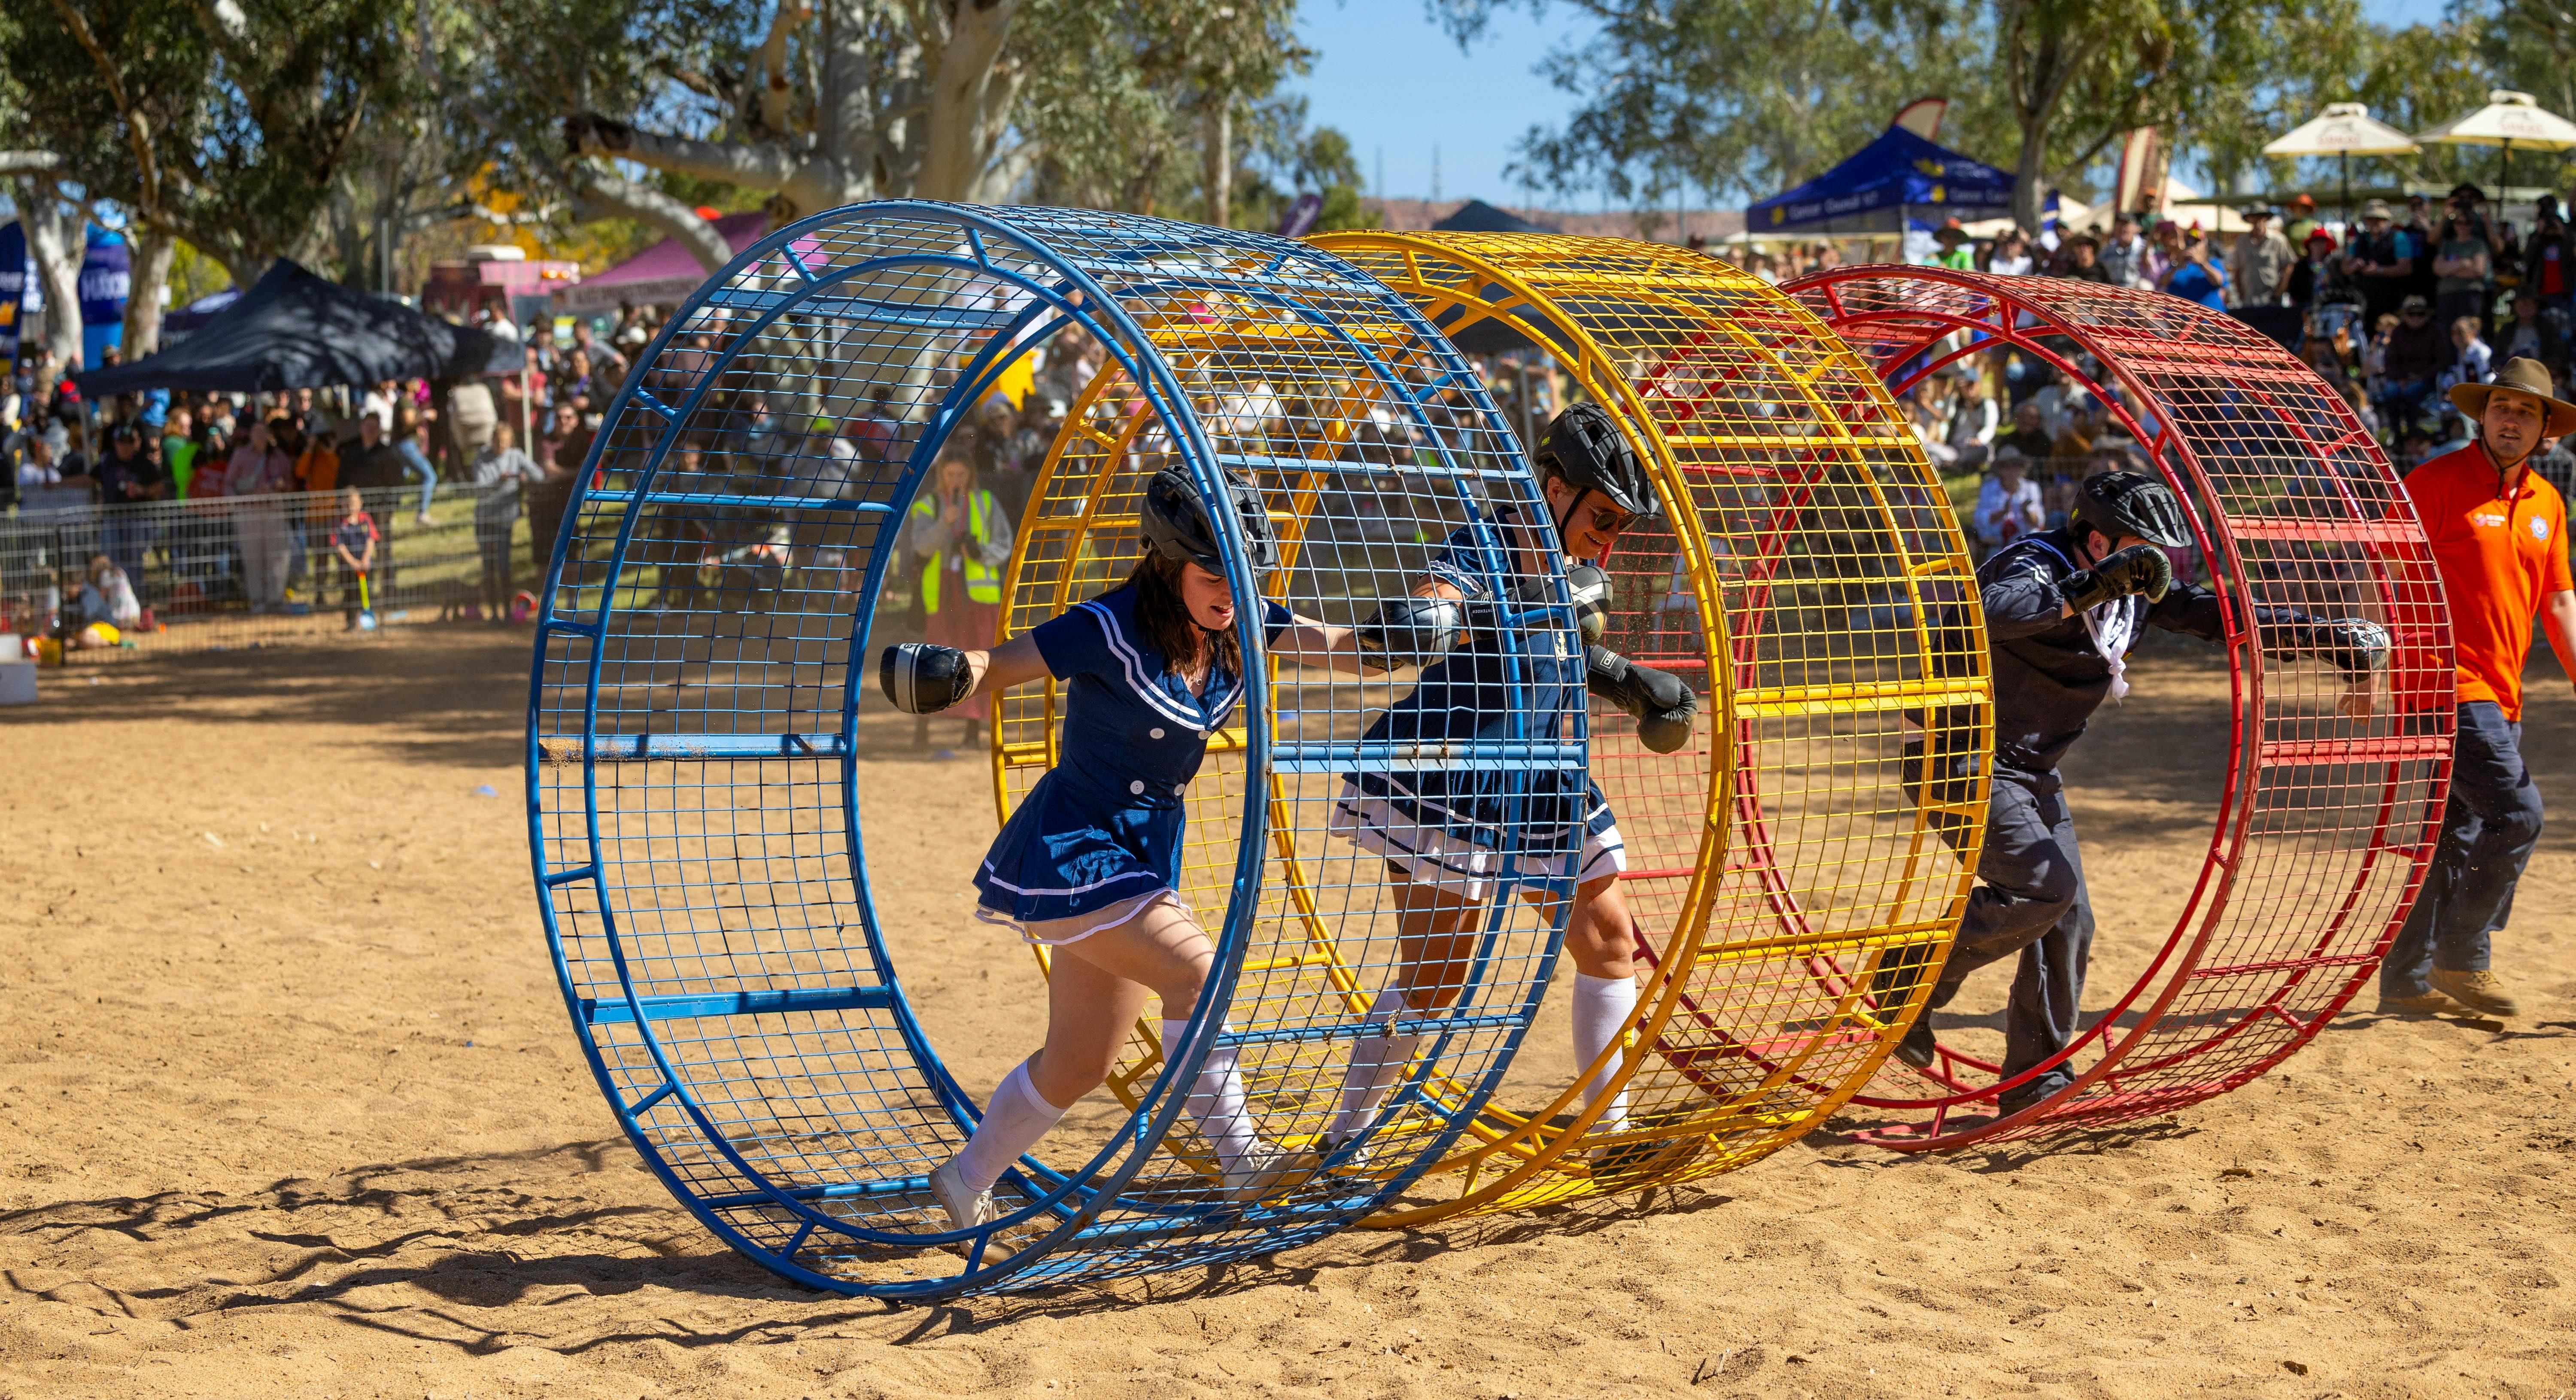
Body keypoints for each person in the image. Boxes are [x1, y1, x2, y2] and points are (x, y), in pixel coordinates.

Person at [882, 468, 1378, 1230]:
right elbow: (1003, 665)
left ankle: (962, 1179)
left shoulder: (1241, 620)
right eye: (1213, 570)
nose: (1231, 589)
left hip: (1143, 857)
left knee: (1081, 1062)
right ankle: (1242, 1162)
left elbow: (1345, 645)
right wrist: (952, 673)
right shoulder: (1106, 626)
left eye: (1246, 573)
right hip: (1075, 845)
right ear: (1167, 560)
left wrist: (1430, 632)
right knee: (1198, 973)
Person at [1874, 472, 2387, 1112]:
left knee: (2069, 918)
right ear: (2095, 539)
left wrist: (2326, 640)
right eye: (2143, 549)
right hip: (1957, 757)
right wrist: (2091, 587)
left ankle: (2035, 1078)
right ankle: (1907, 980)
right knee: (2045, 891)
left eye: (2161, 552)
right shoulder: (2036, 561)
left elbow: (2212, 615)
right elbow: (1984, 613)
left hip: (2029, 771)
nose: (2158, 564)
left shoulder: (2134, 589)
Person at [1321, 405, 1697, 1172]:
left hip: (1540, 773)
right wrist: (1428, 614)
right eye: (1600, 517)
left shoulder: (1574, 567)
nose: (1607, 537)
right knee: (1437, 981)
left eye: (1620, 525)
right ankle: (1343, 1139)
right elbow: (1448, 595)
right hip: (1452, 774)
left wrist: (1625, 682)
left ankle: (1609, 1135)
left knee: (1610, 943)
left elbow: (1552, 651)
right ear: (1554, 490)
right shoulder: (1485, 544)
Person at [2379, 358, 2576, 1018]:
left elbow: (2561, 605)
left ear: (2546, 428)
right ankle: (2465, 955)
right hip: (2442, 686)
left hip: (2504, 692)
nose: (2511, 420)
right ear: (2482, 416)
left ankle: (2406, 981)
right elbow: (2382, 578)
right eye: (2501, 408)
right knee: (2520, 814)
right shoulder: (2432, 483)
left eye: (2526, 412)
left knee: (2452, 834)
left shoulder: (2549, 503)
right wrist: (2367, 665)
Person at [904, 451, 1016, 749]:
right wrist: (944, 523)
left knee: (978, 658)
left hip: (979, 595)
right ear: (941, 475)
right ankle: (922, 731)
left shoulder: (987, 503)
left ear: (971, 476)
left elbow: (1005, 543)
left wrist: (980, 553)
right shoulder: (927, 506)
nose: (956, 480)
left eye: (961, 475)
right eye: (950, 475)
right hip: (941, 594)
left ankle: (972, 732)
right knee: (933, 660)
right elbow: (922, 546)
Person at [470, 422, 547, 620]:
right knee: (489, 567)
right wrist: (499, 482)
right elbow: (481, 486)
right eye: (498, 442)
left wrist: (524, 477)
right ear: (492, 440)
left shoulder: (516, 455)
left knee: (504, 566)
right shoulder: (482, 457)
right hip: (485, 519)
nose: (501, 446)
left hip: (506, 519)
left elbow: (539, 476)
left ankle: (506, 612)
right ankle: (494, 613)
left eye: (505, 442)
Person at [224, 418, 295, 611]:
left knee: (278, 557)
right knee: (252, 557)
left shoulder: (279, 456)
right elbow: (228, 484)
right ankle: (258, 600)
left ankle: (276, 599)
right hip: (249, 512)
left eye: (264, 432)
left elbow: (291, 485)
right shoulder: (241, 455)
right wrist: (241, 501)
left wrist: (282, 486)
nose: (260, 436)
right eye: (256, 432)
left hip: (274, 511)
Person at [2382, 295, 2451, 431]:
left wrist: (2421, 376)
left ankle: (2412, 432)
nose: (2416, 318)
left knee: (2411, 393)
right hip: (2400, 379)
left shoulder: (2435, 331)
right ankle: (2395, 434)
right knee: (2390, 392)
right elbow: (2390, 361)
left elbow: (2443, 360)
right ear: (2405, 316)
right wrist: (2400, 379)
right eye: (2411, 314)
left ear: (2427, 315)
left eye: (2421, 314)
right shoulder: (2398, 332)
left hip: (2426, 379)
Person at [2348, 200, 2420, 329]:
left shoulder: (2399, 237)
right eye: (2370, 219)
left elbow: (2406, 268)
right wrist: (2354, 266)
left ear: (2387, 220)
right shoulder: (2360, 240)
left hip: (2391, 301)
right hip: (2364, 303)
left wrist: (2380, 270)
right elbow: (2345, 266)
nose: (2375, 222)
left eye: (2379, 219)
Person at [2433, 204, 2494, 340]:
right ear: (2454, 225)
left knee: (2469, 333)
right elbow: (2437, 269)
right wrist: (2463, 264)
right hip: (2446, 295)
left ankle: (2468, 362)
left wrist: (2448, 270)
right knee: (2447, 334)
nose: (2463, 226)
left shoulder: (2478, 244)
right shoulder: (2447, 244)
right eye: (2459, 223)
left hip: (2470, 295)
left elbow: (2478, 270)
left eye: (2467, 223)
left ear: (2472, 225)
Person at [1971, 447, 2045, 555]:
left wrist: (2025, 512)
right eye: (2006, 466)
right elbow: (1980, 519)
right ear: (2000, 469)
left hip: (2024, 544)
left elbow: (2039, 522)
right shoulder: (1988, 488)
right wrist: (2003, 512)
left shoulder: (2031, 488)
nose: (2011, 471)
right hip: (1995, 544)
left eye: (2015, 465)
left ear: (2022, 468)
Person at [2226, 206, 2293, 309]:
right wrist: (2240, 294)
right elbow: (2236, 270)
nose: (2257, 219)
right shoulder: (2241, 242)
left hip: (2271, 300)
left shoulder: (2278, 240)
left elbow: (2288, 267)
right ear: (2249, 219)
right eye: (2254, 216)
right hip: (2248, 300)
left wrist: (2280, 292)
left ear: (2266, 218)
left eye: (2260, 216)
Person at [329, 486, 378, 626]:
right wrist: (352, 563)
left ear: (360, 503)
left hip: (365, 565)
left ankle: (368, 619)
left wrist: (365, 559)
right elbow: (339, 546)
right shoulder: (339, 522)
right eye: (347, 504)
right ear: (342, 504)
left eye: (354, 503)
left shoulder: (365, 519)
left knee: (368, 591)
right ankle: (351, 623)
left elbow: (371, 539)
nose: (351, 507)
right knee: (350, 594)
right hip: (348, 567)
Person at [2495, 290, 2567, 384]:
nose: (2525, 307)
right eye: (2521, 304)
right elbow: (2497, 356)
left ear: (2537, 306)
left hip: (2541, 374)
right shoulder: (2507, 329)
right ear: (2515, 306)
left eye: (2529, 304)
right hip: (2511, 374)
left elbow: (2557, 356)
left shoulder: (2548, 328)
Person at [2160, 228, 2228, 310]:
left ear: (2205, 245)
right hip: (2180, 319)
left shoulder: (2213, 262)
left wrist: (2202, 263)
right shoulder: (2177, 263)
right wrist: (2177, 265)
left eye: (2196, 242)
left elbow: (2219, 281)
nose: (2192, 245)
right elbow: (2163, 282)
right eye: (2188, 241)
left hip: (2207, 319)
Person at [2098, 213, 2148, 289]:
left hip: (2135, 290)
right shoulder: (2108, 249)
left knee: (2145, 286)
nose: (2122, 228)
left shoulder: (2144, 248)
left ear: (2136, 229)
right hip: (2112, 289)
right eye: (2119, 225)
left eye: (2126, 225)